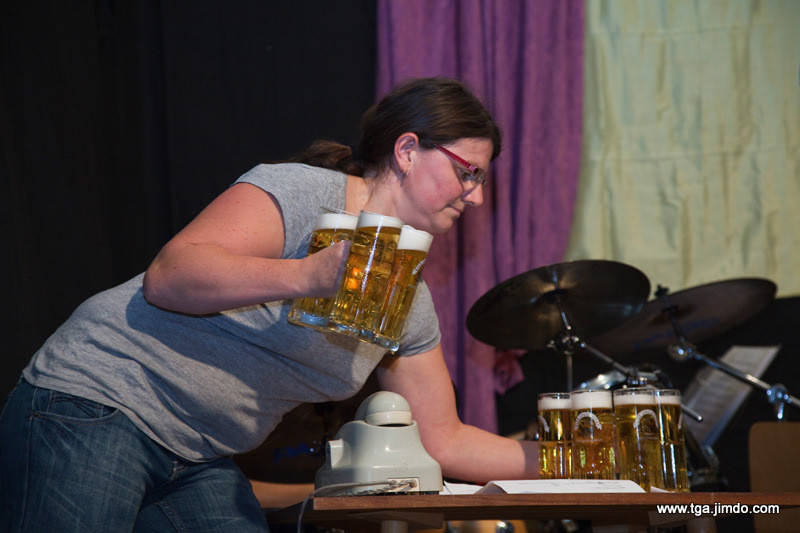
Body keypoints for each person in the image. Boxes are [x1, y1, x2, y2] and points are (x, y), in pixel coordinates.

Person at [0, 77, 539, 532]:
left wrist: (570, 460)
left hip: (198, 453)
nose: (477, 196)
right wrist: (310, 273)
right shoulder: (302, 194)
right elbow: (168, 277)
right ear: (406, 151)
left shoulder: (409, 302)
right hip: (99, 402)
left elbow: (443, 439)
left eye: (482, 179)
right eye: (468, 172)